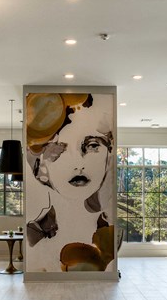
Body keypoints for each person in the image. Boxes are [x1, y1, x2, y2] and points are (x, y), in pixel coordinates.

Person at [25, 93, 115, 271]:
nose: (78, 164)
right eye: (60, 150)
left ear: (108, 159)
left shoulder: (109, 237)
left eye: (92, 146)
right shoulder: (35, 237)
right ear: (41, 169)